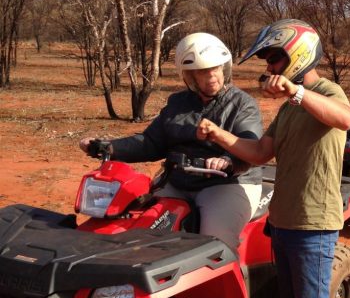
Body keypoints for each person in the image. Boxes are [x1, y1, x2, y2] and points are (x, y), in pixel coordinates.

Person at [196, 19, 350, 298]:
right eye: (267, 59)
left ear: (300, 54)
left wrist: (297, 93)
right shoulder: (287, 110)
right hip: (282, 221)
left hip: (314, 223)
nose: (271, 65)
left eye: (275, 56)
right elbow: (261, 152)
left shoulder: (325, 93)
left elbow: (344, 119)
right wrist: (220, 136)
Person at [79, 32, 263, 250]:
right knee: (139, 228)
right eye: (203, 71)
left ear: (225, 67)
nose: (212, 76)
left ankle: (226, 280)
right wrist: (108, 146)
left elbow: (250, 142)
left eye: (215, 68)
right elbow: (150, 142)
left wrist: (228, 160)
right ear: (189, 76)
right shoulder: (177, 104)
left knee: (215, 245)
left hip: (225, 184)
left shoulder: (243, 104)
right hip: (177, 182)